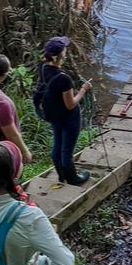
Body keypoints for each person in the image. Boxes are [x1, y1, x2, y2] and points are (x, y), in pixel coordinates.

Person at [37, 36, 92, 186]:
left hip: (54, 115)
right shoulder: (64, 79)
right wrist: (83, 90)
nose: (67, 52)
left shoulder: (43, 68)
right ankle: (74, 179)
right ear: (61, 55)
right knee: (67, 150)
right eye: (65, 50)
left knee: (58, 145)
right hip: (69, 118)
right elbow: (70, 104)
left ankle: (62, 177)